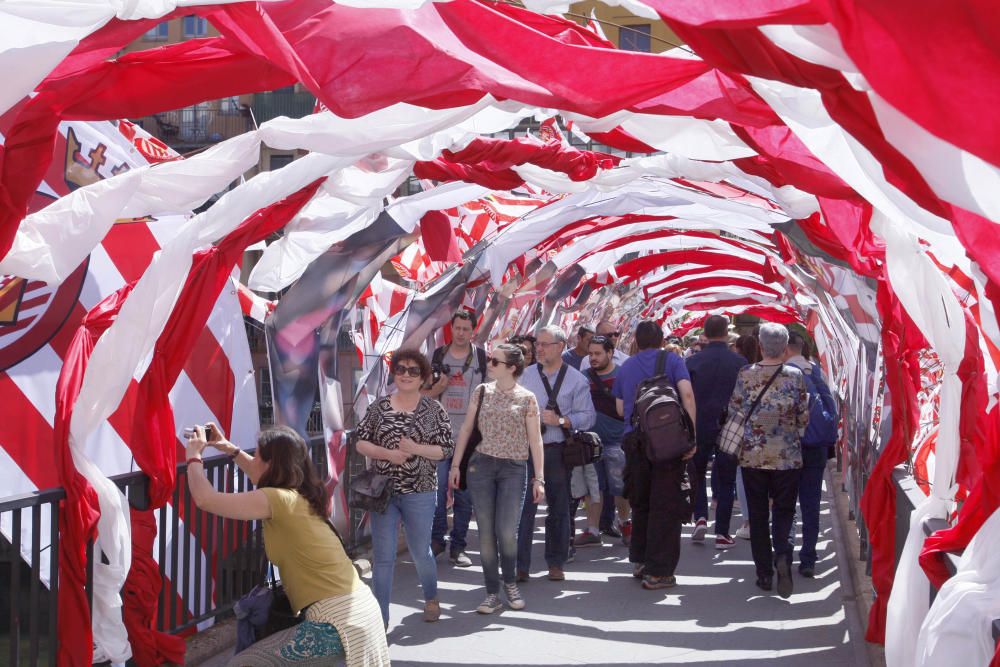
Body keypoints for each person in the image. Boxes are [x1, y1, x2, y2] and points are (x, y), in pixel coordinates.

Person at [184, 424, 390, 666]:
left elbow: (205, 499)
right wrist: (226, 446)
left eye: (258, 454)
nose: (254, 459)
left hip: (336, 621)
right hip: (359, 610)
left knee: (245, 663)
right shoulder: (300, 494)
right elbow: (256, 470)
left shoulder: (277, 499)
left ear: (272, 464)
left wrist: (193, 457)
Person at [355, 349, 454, 625]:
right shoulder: (379, 407)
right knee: (383, 557)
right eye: (401, 369)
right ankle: (380, 621)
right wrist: (386, 454)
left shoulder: (434, 410)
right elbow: (360, 441)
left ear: (423, 376)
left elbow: (445, 449)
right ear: (394, 374)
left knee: (420, 550)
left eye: (413, 370)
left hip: (420, 490)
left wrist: (415, 449)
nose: (406, 375)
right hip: (383, 491)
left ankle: (431, 596)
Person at [449, 344, 545, 613]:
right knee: (486, 534)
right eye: (490, 360)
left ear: (512, 368)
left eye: (495, 361)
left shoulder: (527, 398)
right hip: (481, 466)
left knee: (506, 532)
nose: (489, 364)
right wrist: (456, 465)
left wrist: (540, 478)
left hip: (514, 468)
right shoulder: (481, 392)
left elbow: (536, 440)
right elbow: (467, 429)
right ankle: (492, 591)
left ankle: (510, 583)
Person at [613, 321, 696, 590]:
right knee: (666, 503)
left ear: (636, 340)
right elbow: (686, 394)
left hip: (635, 441)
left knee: (642, 501)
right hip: (667, 442)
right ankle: (659, 571)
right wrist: (690, 436)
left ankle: (639, 559)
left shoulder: (626, 367)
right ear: (661, 339)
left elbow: (619, 408)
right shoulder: (672, 360)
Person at [728, 323, 808, 598]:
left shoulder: (746, 374)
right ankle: (783, 553)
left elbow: (735, 410)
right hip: (786, 455)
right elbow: (802, 415)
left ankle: (764, 572)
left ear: (761, 346)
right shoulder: (795, 376)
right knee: (785, 510)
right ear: (785, 348)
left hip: (753, 455)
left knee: (758, 514)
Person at [517, 325, 596, 581]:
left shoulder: (576, 379)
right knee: (524, 509)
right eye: (537, 344)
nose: (538, 349)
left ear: (560, 346)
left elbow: (589, 417)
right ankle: (521, 565)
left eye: (544, 344)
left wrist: (562, 421)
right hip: (527, 450)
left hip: (558, 450)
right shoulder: (525, 376)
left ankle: (556, 561)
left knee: (559, 508)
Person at [422, 310, 488, 567]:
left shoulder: (481, 358)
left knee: (463, 494)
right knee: (436, 491)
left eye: (465, 329)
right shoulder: (438, 355)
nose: (460, 333)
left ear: (473, 331)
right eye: (457, 328)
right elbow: (421, 393)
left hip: (470, 435)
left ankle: (458, 545)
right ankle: (437, 540)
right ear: (451, 328)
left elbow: (491, 394)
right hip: (438, 434)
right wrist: (437, 388)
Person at [685, 315, 748, 549]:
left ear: (706, 333)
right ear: (725, 333)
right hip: (730, 425)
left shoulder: (692, 362)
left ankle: (700, 515)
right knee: (727, 478)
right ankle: (722, 532)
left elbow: (685, 395)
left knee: (698, 472)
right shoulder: (740, 363)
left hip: (699, 423)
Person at [785, 331, 836, 578]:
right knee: (811, 504)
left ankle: (784, 550)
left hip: (786, 447)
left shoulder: (781, 374)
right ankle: (808, 558)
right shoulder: (817, 373)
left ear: (786, 350)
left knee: (785, 503)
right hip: (815, 447)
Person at [577, 335, 631, 546]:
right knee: (592, 488)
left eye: (598, 353)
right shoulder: (582, 378)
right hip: (589, 443)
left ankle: (626, 523)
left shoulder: (622, 376)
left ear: (610, 353)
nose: (593, 358)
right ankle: (592, 529)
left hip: (617, 442)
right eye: (590, 354)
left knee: (621, 488)